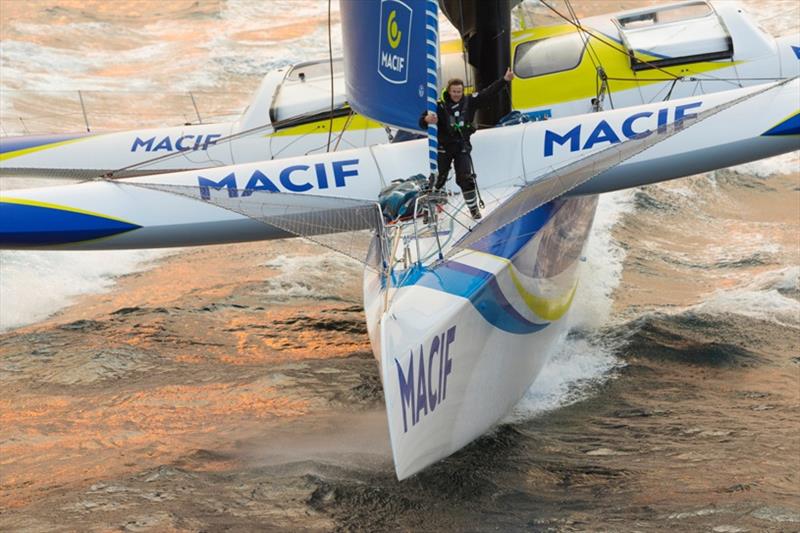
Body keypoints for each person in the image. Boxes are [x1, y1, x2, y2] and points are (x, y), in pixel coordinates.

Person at [420, 67, 514, 220]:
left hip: (461, 147)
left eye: (459, 91)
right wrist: (426, 120)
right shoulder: (438, 106)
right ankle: (427, 210)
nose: (457, 94)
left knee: (465, 178)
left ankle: (474, 209)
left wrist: (505, 80)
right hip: (443, 148)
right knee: (438, 178)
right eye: (454, 91)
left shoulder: (469, 101)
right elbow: (422, 122)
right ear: (448, 92)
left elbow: (487, 93)